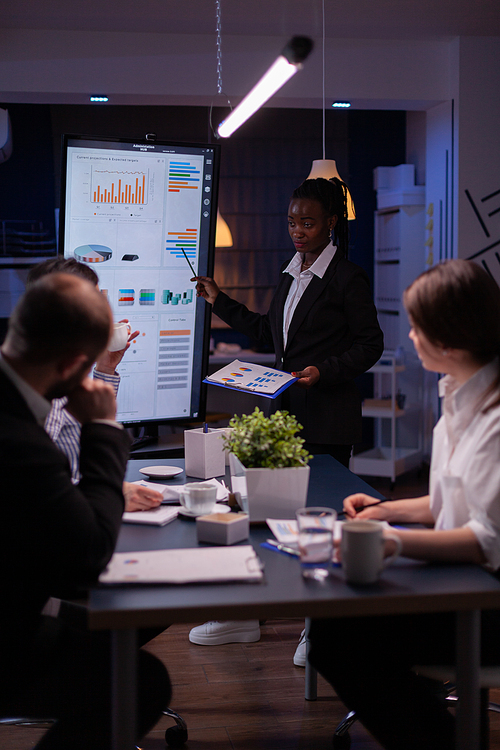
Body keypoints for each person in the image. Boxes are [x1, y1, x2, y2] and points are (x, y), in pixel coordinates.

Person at [308, 259, 500, 750]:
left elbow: (485, 539)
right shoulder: (458, 397)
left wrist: (393, 540)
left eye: (418, 328)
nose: (410, 337)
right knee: (335, 629)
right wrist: (388, 511)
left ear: (450, 342)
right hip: (458, 584)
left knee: (339, 641)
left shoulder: (494, 419)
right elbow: (449, 503)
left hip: (487, 601)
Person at [190, 177, 384, 650]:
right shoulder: (288, 270)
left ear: (331, 224)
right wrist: (220, 301)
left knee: (317, 523)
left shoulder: (347, 277)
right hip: (284, 418)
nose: (298, 230)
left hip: (327, 417)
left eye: (309, 222)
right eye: (293, 221)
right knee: (267, 517)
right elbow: (269, 334)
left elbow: (370, 344)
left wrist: (326, 370)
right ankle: (246, 617)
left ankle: (317, 631)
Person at [0, 273, 170, 749]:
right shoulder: (17, 439)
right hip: (11, 629)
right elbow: (86, 556)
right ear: (75, 363)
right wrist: (105, 428)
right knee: (139, 681)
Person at [27, 257, 163, 512]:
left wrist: (106, 369)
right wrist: (112, 491)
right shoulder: (41, 387)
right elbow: (37, 492)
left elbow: (79, 436)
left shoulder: (56, 371)